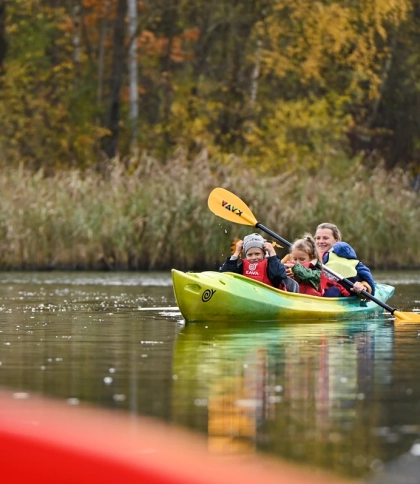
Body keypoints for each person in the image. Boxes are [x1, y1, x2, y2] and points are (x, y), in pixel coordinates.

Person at [219, 233, 299, 291]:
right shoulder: (243, 266)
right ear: (246, 256)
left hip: (268, 300)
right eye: (250, 255)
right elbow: (225, 276)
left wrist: (272, 253)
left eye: (257, 254)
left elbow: (278, 275)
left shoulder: (270, 266)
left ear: (264, 254)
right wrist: (236, 253)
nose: (254, 258)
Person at [315, 223, 375, 297]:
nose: (320, 241)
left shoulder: (347, 257)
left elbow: (366, 276)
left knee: (333, 292)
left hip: (340, 292)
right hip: (319, 291)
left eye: (325, 238)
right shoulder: (309, 257)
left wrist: (364, 287)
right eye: (318, 238)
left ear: (336, 240)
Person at [283, 234, 348, 297]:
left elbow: (307, 275)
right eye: (294, 259)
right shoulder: (290, 267)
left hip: (313, 302)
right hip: (294, 298)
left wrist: (295, 268)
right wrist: (285, 274)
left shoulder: (316, 272)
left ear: (312, 258)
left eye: (302, 259)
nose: (297, 262)